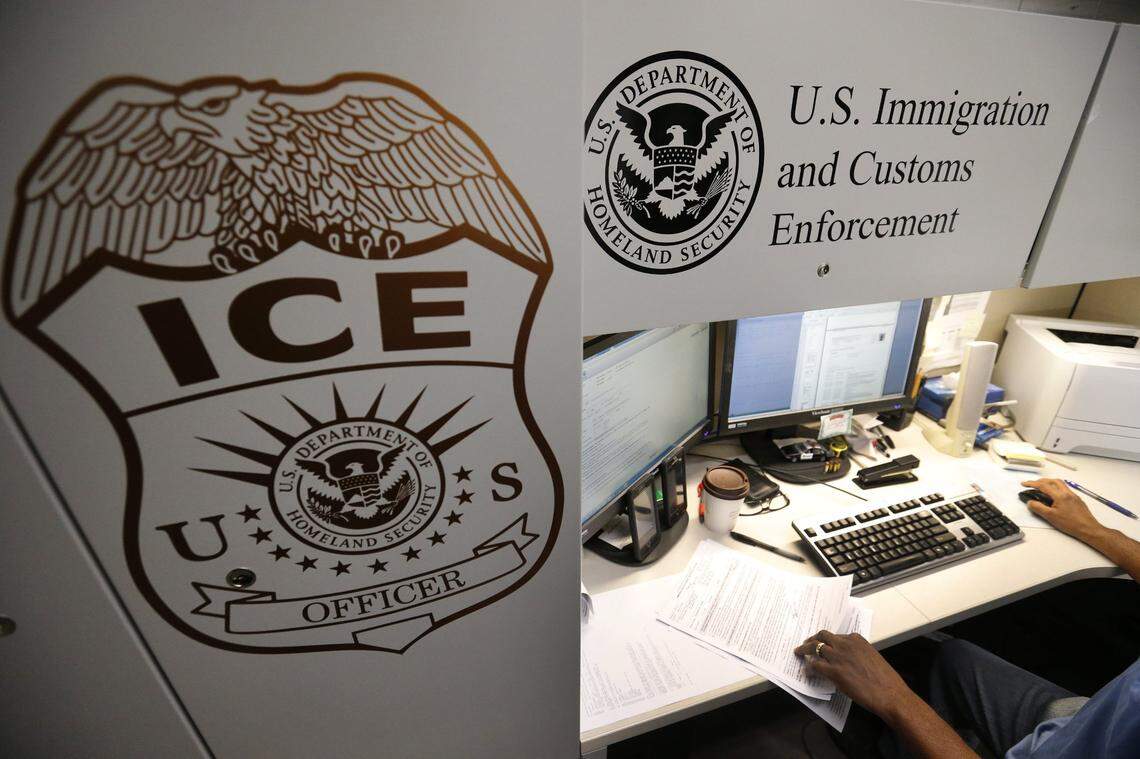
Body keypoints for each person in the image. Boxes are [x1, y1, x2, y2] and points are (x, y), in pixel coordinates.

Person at [794, 478, 1140, 758]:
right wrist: (1094, 530)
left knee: (903, 683)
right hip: (1086, 718)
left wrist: (893, 698)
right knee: (953, 655)